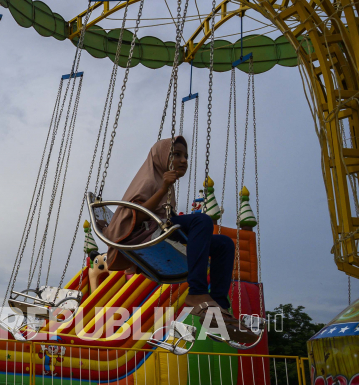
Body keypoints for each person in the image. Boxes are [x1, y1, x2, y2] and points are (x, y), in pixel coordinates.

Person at [102, 137, 257, 343]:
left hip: (162, 227)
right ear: (161, 157)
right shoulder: (149, 181)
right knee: (201, 221)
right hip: (145, 232)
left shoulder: (163, 183)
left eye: (185, 156)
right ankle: (197, 293)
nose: (183, 160)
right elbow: (134, 217)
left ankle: (218, 307)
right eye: (176, 154)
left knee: (224, 245)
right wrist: (164, 187)